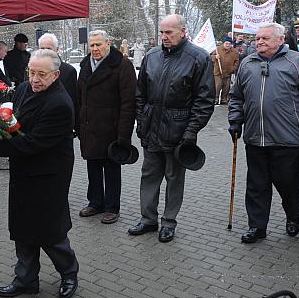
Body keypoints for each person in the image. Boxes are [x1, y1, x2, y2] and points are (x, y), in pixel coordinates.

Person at [0, 49, 79, 298]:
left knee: (50, 232)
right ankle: (26, 279)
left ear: (56, 75)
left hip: (48, 176)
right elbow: (14, 122)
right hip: (24, 171)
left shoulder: (60, 103)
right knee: (23, 228)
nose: (35, 79)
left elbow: (31, 143)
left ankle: (69, 272)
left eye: (41, 74)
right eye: (31, 72)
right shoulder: (25, 88)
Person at [228, 23, 299, 243]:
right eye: (257, 38)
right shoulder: (247, 63)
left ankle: (293, 216)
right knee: (256, 186)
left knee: (289, 185)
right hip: (255, 138)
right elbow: (236, 96)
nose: (259, 42)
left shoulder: (298, 62)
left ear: (281, 39)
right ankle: (257, 226)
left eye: (265, 38)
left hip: (288, 139)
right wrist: (235, 119)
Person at [128, 14, 215, 243]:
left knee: (174, 178)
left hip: (179, 132)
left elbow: (204, 101)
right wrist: (141, 120)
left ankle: (168, 222)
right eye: (162, 32)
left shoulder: (198, 58)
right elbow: (140, 94)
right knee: (149, 176)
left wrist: (190, 132)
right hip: (151, 129)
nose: (164, 37)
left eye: (169, 32)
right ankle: (148, 219)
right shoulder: (152, 56)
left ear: (183, 31)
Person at [76, 30, 136, 225]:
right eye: (92, 45)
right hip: (89, 126)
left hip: (111, 128)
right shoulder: (85, 64)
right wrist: (78, 123)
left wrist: (124, 135)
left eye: (98, 44)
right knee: (92, 167)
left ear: (108, 43)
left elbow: (128, 103)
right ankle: (95, 202)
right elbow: (79, 97)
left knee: (111, 170)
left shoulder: (122, 65)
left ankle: (111, 207)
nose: (95, 49)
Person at [38, 33, 78, 110]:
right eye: (42, 49)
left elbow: (72, 102)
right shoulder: (31, 70)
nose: (45, 52)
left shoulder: (68, 71)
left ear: (57, 50)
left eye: (49, 49)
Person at [210, 36, 239, 104]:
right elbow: (210, 57)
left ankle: (224, 99)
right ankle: (215, 98)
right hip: (218, 71)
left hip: (228, 72)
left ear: (231, 44)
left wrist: (233, 68)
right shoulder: (217, 49)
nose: (227, 45)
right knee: (217, 86)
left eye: (229, 44)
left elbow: (237, 61)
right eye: (226, 43)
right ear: (224, 43)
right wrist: (215, 57)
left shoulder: (234, 51)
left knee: (226, 87)